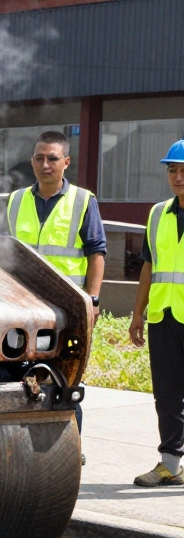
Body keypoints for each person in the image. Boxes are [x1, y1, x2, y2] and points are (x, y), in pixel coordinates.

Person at [128, 139, 184, 487]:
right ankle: (170, 464)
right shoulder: (157, 214)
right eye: (173, 170)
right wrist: (138, 314)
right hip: (163, 316)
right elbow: (149, 266)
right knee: (167, 394)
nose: (178, 177)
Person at [2, 130, 106, 307]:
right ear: (32, 161)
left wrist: (93, 300)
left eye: (52, 159)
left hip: (68, 301)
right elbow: (3, 250)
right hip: (21, 299)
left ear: (66, 162)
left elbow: (96, 253)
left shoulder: (83, 200)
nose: (45, 165)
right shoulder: (15, 200)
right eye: (39, 158)